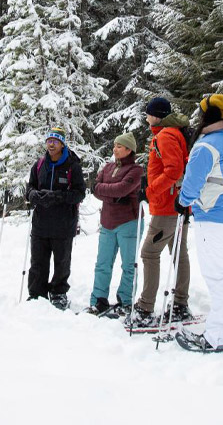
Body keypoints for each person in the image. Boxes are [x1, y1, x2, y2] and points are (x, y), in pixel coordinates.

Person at [174, 94, 223, 351]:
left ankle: (219, 336)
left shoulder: (208, 144)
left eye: (202, 111)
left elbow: (193, 182)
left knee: (217, 277)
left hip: (215, 219)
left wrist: (182, 201)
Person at [127, 96, 191, 328]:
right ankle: (181, 305)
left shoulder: (164, 136)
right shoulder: (173, 133)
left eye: (148, 113)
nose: (146, 117)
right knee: (178, 254)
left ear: (156, 115)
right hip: (177, 204)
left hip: (167, 206)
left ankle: (145, 307)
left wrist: (151, 190)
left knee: (149, 254)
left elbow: (174, 171)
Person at [26, 127, 87, 309]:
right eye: (49, 141)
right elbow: (29, 189)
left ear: (62, 144)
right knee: (38, 262)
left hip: (63, 224)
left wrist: (57, 197)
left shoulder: (72, 166)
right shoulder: (38, 165)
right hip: (40, 224)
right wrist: (34, 195)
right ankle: (36, 294)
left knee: (61, 263)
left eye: (56, 141)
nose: (51, 144)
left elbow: (79, 193)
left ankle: (59, 293)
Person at [87, 132, 144, 317]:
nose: (115, 149)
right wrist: (112, 194)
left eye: (119, 146)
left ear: (129, 149)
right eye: (114, 145)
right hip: (107, 222)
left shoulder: (136, 170)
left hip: (129, 221)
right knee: (102, 263)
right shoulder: (108, 167)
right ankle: (98, 300)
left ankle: (125, 301)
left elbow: (122, 189)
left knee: (128, 265)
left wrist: (106, 191)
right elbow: (95, 188)